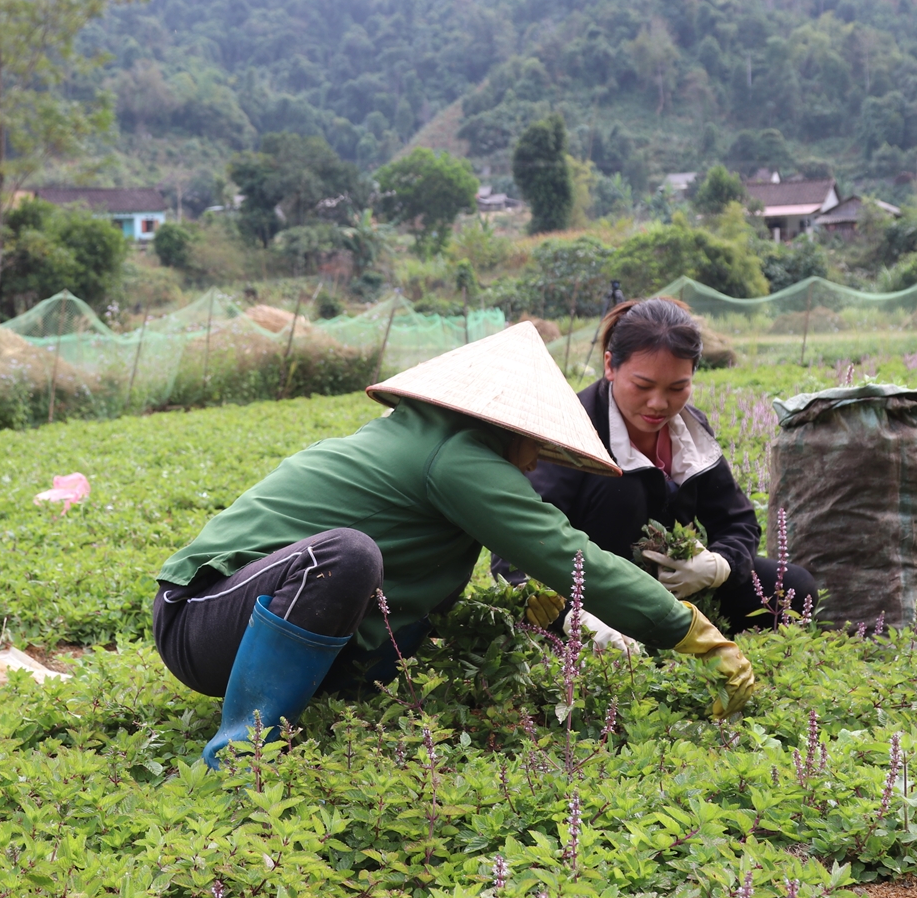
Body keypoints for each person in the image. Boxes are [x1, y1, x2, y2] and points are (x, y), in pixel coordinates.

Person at [154, 322, 756, 767]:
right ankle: (237, 754)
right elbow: (571, 555)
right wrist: (692, 633)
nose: (535, 462)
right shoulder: (458, 459)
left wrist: (526, 608)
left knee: (435, 602)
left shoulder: (432, 442)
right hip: (200, 616)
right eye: (537, 444)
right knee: (347, 556)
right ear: (512, 427)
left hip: (238, 619)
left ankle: (323, 713)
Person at [509, 297, 817, 635]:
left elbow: (737, 521)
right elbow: (517, 545)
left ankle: (675, 626)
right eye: (642, 386)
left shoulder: (689, 430)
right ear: (610, 366)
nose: (658, 404)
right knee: (620, 488)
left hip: (676, 590)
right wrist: (571, 616)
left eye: (677, 387)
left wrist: (717, 566)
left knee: (793, 588)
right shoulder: (570, 429)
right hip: (597, 594)